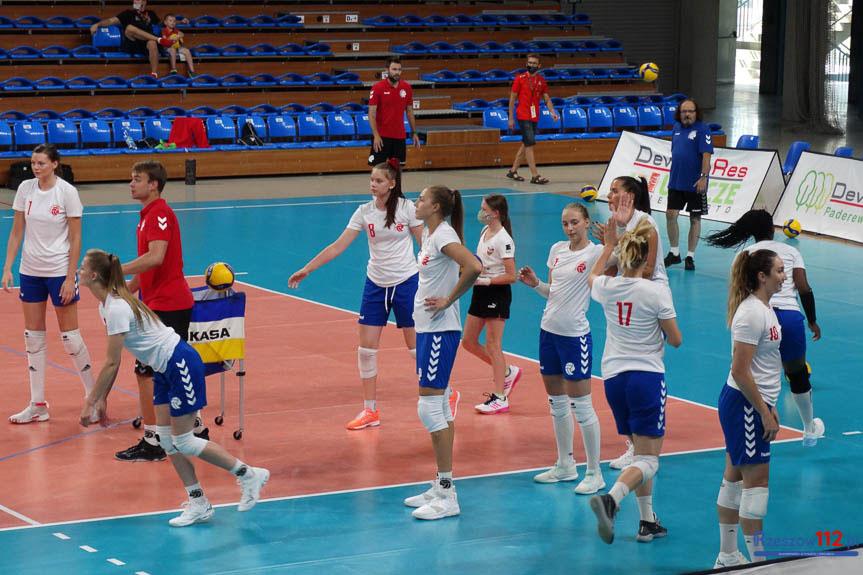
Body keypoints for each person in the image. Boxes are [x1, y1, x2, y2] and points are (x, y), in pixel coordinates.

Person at [78, 249, 269, 527]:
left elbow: (111, 362)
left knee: (185, 441)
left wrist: (91, 401)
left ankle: (248, 474)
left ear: (94, 275)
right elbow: (113, 362)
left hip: (180, 363)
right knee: (166, 440)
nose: (79, 271)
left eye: (82, 267)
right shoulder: (107, 306)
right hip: (164, 369)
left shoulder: (117, 307)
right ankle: (198, 502)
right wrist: (101, 399)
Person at [289, 161, 442, 430]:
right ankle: (370, 410)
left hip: (406, 283)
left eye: (379, 181)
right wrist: (307, 269)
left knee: (415, 348)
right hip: (375, 285)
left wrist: (435, 281)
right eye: (371, 180)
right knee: (366, 351)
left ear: (392, 184)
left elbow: (426, 246)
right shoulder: (364, 212)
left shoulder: (407, 209)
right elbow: (337, 246)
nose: (373, 184)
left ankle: (444, 392)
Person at [587, 195, 682, 545]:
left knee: (641, 455)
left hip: (613, 378)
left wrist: (607, 246)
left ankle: (647, 522)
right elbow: (676, 340)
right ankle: (611, 500)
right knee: (651, 460)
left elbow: (593, 276)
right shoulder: (655, 292)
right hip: (646, 376)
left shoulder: (607, 287)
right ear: (645, 260)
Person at [706, 210, 824, 445]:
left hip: (756, 316)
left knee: (749, 370)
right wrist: (812, 320)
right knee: (797, 373)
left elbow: (738, 292)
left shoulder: (743, 256)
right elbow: (804, 288)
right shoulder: (791, 252)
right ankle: (809, 428)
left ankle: (755, 414)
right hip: (789, 317)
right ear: (772, 229)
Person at [403, 185, 482, 520]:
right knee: (440, 407)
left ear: (435, 206)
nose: (416, 202)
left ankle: (448, 495)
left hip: (440, 331)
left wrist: (448, 300)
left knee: (429, 407)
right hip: (427, 329)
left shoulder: (444, 236)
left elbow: (474, 266)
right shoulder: (430, 234)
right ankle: (441, 484)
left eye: (421, 199)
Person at [2, 144, 96, 424]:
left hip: (58, 270)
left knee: (71, 338)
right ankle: (37, 405)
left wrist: (69, 276)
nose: (36, 167)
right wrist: (7, 267)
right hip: (30, 271)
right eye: (33, 163)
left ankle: (94, 398)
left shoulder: (67, 192)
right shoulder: (25, 189)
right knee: (33, 338)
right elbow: (17, 231)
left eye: (41, 163)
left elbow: (76, 238)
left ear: (55, 164)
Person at [115, 161, 199, 463]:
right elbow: (147, 266)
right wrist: (125, 291)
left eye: (137, 179)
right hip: (157, 304)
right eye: (131, 179)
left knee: (147, 373)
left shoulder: (160, 214)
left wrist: (115, 269)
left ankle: (154, 440)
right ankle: (187, 430)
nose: (131, 184)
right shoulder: (146, 216)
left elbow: (156, 257)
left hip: (169, 304)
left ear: (153, 185)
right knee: (162, 373)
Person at [518, 203, 606, 494]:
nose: (570, 228)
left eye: (575, 222)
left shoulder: (595, 253)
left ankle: (594, 472)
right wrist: (536, 284)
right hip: (549, 333)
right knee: (557, 404)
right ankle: (566, 465)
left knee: (582, 405)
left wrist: (613, 242)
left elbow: (626, 260)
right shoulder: (557, 250)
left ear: (587, 222)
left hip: (574, 338)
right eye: (565, 223)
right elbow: (553, 293)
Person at [712, 248, 785, 567]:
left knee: (734, 479)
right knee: (756, 488)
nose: (784, 276)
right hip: (745, 406)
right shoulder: (752, 313)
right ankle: (759, 564)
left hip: (750, 403)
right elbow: (740, 371)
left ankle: (728, 556)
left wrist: (770, 404)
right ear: (761, 276)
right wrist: (763, 411)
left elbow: (763, 366)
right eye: (779, 271)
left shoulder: (765, 308)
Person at [594, 176, 668, 470]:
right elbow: (615, 267)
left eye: (615, 190)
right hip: (629, 294)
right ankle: (635, 445)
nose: (610, 195)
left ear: (630, 197)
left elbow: (645, 270)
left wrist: (614, 250)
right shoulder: (617, 222)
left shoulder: (646, 224)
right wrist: (608, 249)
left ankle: (643, 446)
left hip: (650, 296)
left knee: (644, 364)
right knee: (619, 361)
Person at [462, 194, 521, 414]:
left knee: (493, 344)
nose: (481, 212)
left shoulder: (504, 240)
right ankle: (507, 372)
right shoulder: (484, 231)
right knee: (468, 341)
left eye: (484, 209)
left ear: (496, 213)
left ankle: (500, 397)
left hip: (496, 292)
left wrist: (487, 280)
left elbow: (512, 276)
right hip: (480, 290)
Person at [663, 98, 713, 271]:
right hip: (676, 181)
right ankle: (674, 253)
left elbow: (706, 156)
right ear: (679, 113)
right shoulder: (676, 128)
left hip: (695, 183)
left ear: (696, 113)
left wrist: (704, 177)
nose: (687, 114)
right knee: (670, 215)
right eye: (684, 111)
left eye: (691, 111)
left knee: (695, 218)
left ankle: (690, 256)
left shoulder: (703, 130)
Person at [505, 53, 559, 185]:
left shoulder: (541, 81)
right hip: (523, 115)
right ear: (526, 64)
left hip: (534, 116)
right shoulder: (519, 79)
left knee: (526, 143)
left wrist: (552, 112)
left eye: (534, 63)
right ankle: (535, 176)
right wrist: (510, 118)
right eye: (530, 63)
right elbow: (512, 99)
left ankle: (513, 171)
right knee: (529, 144)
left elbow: (546, 98)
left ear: (539, 66)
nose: (531, 65)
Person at [90, 0, 172, 78]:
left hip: (146, 44)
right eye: (136, 0)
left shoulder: (151, 14)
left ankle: (154, 74)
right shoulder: (128, 13)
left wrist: (177, 25)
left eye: (140, 0)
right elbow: (111, 21)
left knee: (152, 43)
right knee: (129, 28)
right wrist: (97, 24)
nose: (137, 1)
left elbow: (163, 25)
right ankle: (159, 40)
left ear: (144, 2)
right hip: (132, 43)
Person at [368, 56, 421, 166]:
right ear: (387, 70)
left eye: (399, 69)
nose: (397, 72)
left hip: (399, 136)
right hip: (382, 136)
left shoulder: (407, 87)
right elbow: (371, 114)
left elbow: (410, 112)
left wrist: (414, 133)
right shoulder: (377, 88)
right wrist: (376, 135)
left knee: (397, 171)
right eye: (394, 69)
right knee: (378, 169)